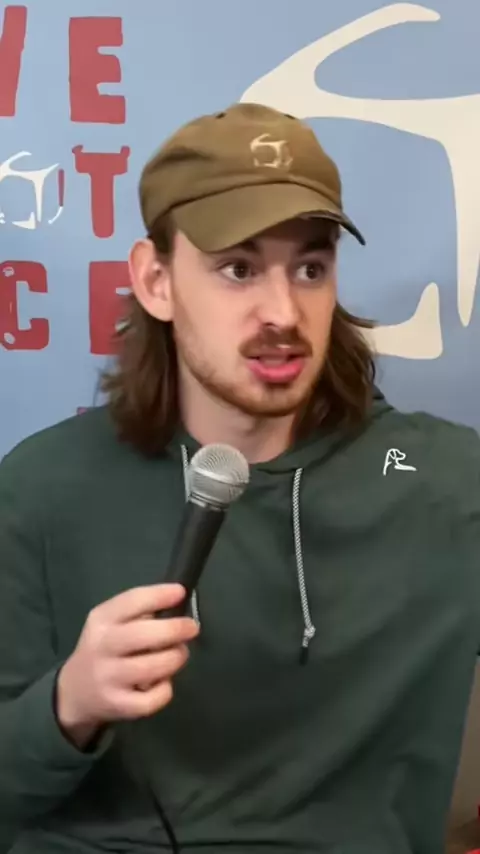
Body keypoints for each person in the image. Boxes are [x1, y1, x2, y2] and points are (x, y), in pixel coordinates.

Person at [0, 102, 479, 854]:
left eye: (311, 269)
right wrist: (69, 705)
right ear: (156, 280)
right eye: (238, 269)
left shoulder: (448, 484)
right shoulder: (43, 487)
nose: (283, 312)